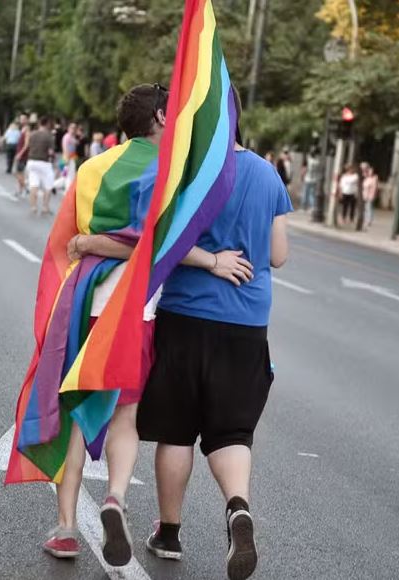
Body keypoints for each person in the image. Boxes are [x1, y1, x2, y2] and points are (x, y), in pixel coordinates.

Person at [37, 83, 250, 568]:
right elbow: (151, 245)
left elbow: (70, 241)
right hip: (135, 311)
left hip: (85, 304)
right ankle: (114, 497)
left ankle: (67, 528)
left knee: (77, 412)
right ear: (158, 115)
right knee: (126, 417)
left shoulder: (92, 168)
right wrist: (214, 261)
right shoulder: (169, 174)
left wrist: (91, 243)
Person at [137, 88, 291, 580]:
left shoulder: (189, 170)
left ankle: (169, 532)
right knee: (231, 431)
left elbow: (161, 239)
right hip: (246, 323)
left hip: (186, 315)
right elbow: (278, 255)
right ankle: (238, 507)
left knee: (177, 429)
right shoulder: (268, 174)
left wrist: (208, 256)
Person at [24, 116, 55, 216]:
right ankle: (45, 207)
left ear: (39, 124)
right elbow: (50, 152)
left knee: (34, 184)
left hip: (32, 161)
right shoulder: (49, 136)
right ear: (47, 124)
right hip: (44, 162)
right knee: (48, 185)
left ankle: (33, 207)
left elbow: (28, 146)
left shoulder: (32, 134)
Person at [13, 113, 31, 197]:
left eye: (23, 119)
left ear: (27, 120)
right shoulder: (22, 129)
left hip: (22, 155)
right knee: (20, 173)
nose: (21, 120)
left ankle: (25, 188)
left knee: (17, 172)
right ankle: (20, 190)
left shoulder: (27, 130)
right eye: (21, 119)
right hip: (19, 152)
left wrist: (20, 154)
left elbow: (27, 144)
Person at [301, 147, 322, 211]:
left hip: (307, 179)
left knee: (305, 193)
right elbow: (319, 171)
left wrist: (302, 176)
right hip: (314, 179)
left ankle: (304, 207)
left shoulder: (308, 160)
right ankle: (312, 207)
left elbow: (304, 170)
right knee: (312, 194)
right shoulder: (317, 161)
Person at [361, 162, 379, 227]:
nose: (369, 172)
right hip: (365, 195)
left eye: (370, 171)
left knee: (369, 208)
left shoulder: (374, 179)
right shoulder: (366, 178)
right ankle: (365, 219)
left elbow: (374, 188)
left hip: (370, 195)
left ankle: (369, 220)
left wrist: (373, 195)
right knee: (365, 208)